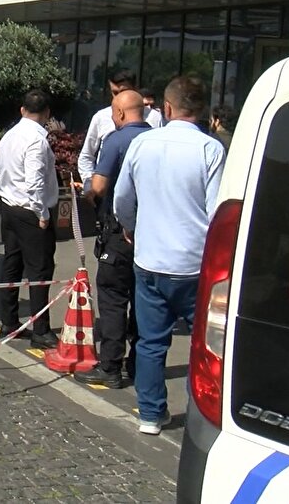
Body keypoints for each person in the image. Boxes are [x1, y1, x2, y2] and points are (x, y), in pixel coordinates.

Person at [114, 76, 225, 435]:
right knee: (202, 346)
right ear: (202, 109)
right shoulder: (210, 150)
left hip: (149, 257)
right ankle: (200, 413)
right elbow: (215, 212)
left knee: (150, 341)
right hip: (193, 263)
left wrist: (129, 226)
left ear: (166, 107)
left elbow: (122, 198)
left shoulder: (144, 143)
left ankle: (150, 413)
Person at [73, 90, 150, 389]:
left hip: (118, 232)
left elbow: (101, 186)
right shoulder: (156, 138)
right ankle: (138, 365)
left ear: (118, 113)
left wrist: (86, 188)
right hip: (150, 234)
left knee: (113, 297)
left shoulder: (116, 141)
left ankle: (110, 367)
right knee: (141, 301)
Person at [0, 89, 60, 349]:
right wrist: (42, 213)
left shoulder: (9, 135)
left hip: (9, 205)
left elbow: (0, 172)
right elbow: (34, 182)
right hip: (28, 210)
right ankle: (40, 330)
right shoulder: (37, 141)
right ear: (46, 114)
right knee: (40, 270)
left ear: (23, 110)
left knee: (11, 265)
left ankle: (9, 322)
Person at [77, 70, 140, 186]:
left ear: (135, 89)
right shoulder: (101, 117)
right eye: (115, 93)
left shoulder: (154, 117)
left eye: (124, 92)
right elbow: (86, 156)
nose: (119, 97)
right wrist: (90, 185)